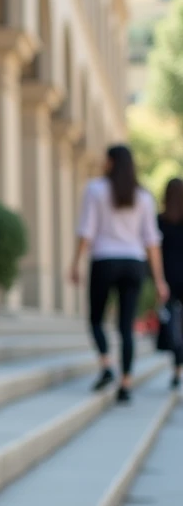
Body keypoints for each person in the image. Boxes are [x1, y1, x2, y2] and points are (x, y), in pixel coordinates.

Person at [70, 144, 168, 403]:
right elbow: (151, 241)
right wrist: (159, 280)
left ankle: (106, 364)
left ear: (111, 162)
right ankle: (125, 383)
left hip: (104, 260)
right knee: (126, 327)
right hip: (134, 263)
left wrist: (75, 263)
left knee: (95, 319)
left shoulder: (96, 190)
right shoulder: (144, 197)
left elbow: (86, 231)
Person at [158, 178, 183, 388]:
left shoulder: (160, 221)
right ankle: (178, 369)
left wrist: (158, 280)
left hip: (168, 279)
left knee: (173, 326)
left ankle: (176, 369)